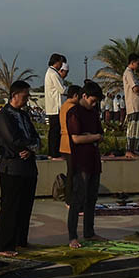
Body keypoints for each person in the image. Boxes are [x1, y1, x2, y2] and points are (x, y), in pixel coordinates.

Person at [0, 81, 40, 254]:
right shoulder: (3, 116)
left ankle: (21, 241)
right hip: (12, 167)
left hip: (28, 167)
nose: (27, 99)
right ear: (14, 96)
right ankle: (4, 245)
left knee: (25, 206)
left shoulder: (24, 116)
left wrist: (30, 148)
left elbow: (36, 138)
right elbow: (11, 140)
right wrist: (25, 148)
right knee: (10, 208)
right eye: (25, 96)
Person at [67, 81, 105, 248]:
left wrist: (91, 136)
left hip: (94, 160)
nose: (94, 104)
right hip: (80, 162)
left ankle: (89, 232)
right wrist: (93, 137)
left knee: (91, 198)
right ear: (84, 96)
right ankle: (72, 235)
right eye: (92, 100)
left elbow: (100, 134)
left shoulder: (94, 113)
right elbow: (76, 138)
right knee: (78, 199)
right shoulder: (74, 112)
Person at [44, 53, 66, 159]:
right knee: (55, 131)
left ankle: (52, 152)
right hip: (55, 106)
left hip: (53, 106)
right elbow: (61, 89)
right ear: (56, 62)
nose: (61, 64)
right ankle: (54, 153)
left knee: (54, 130)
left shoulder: (52, 72)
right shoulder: (53, 74)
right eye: (60, 62)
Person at [123, 54, 139, 157]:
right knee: (132, 129)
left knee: (136, 130)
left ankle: (133, 149)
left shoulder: (132, 73)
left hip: (137, 105)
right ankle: (129, 150)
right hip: (133, 106)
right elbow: (135, 89)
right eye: (138, 63)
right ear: (132, 62)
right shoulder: (128, 73)